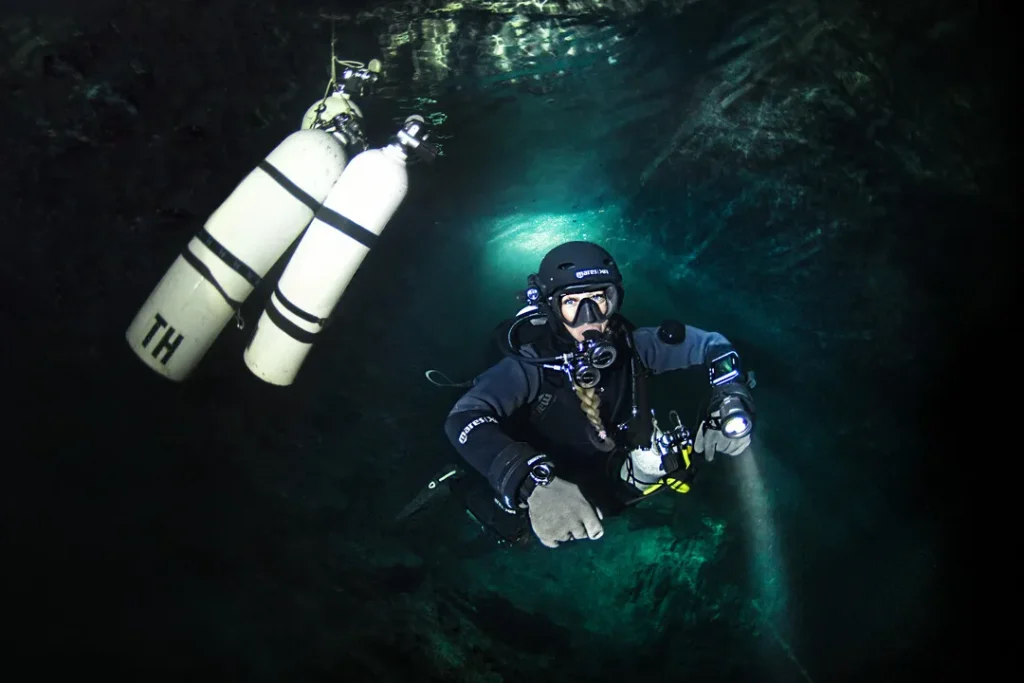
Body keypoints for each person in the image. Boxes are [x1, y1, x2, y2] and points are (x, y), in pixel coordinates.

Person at [442, 241, 755, 548]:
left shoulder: (636, 348)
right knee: (514, 534)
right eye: (572, 303)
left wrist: (729, 397)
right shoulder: (530, 365)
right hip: (546, 474)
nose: (589, 316)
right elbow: (464, 417)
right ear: (551, 308)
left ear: (615, 299)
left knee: (636, 486)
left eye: (598, 298)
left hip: (601, 472)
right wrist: (534, 483)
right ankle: (453, 487)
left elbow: (714, 346)